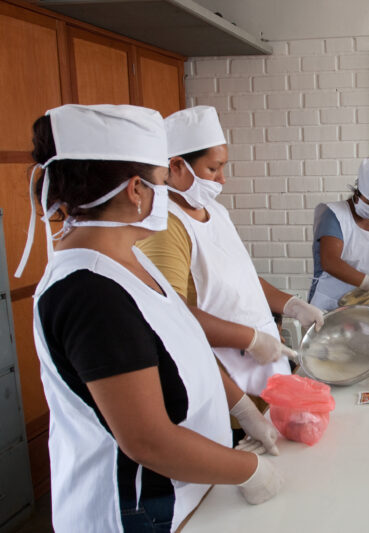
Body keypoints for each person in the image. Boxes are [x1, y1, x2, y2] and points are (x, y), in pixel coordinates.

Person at [18, 105, 282, 532]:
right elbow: (147, 441)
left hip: (192, 493)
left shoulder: (132, 258)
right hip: (139, 512)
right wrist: (248, 469)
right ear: (136, 190)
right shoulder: (90, 292)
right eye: (162, 182)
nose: (166, 194)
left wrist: (240, 406)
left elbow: (183, 342)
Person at [137, 106, 323, 397]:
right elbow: (171, 315)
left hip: (263, 365)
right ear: (175, 167)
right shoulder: (166, 228)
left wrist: (292, 306)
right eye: (213, 168)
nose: (222, 179)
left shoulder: (215, 211)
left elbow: (243, 279)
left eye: (223, 167)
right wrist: (250, 339)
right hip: (221, 375)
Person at [308, 158, 369, 311]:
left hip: (367, 307)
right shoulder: (335, 215)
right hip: (330, 306)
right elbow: (330, 262)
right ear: (357, 193)